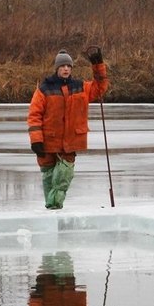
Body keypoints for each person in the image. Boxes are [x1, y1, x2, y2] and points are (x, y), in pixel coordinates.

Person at [27, 47, 109, 209]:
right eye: (62, 66)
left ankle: (54, 207)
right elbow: (34, 115)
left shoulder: (80, 87)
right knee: (49, 178)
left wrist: (98, 65)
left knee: (64, 175)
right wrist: (36, 140)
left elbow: (100, 87)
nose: (66, 69)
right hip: (48, 142)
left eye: (68, 66)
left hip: (70, 142)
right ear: (57, 68)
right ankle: (52, 209)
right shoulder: (43, 89)